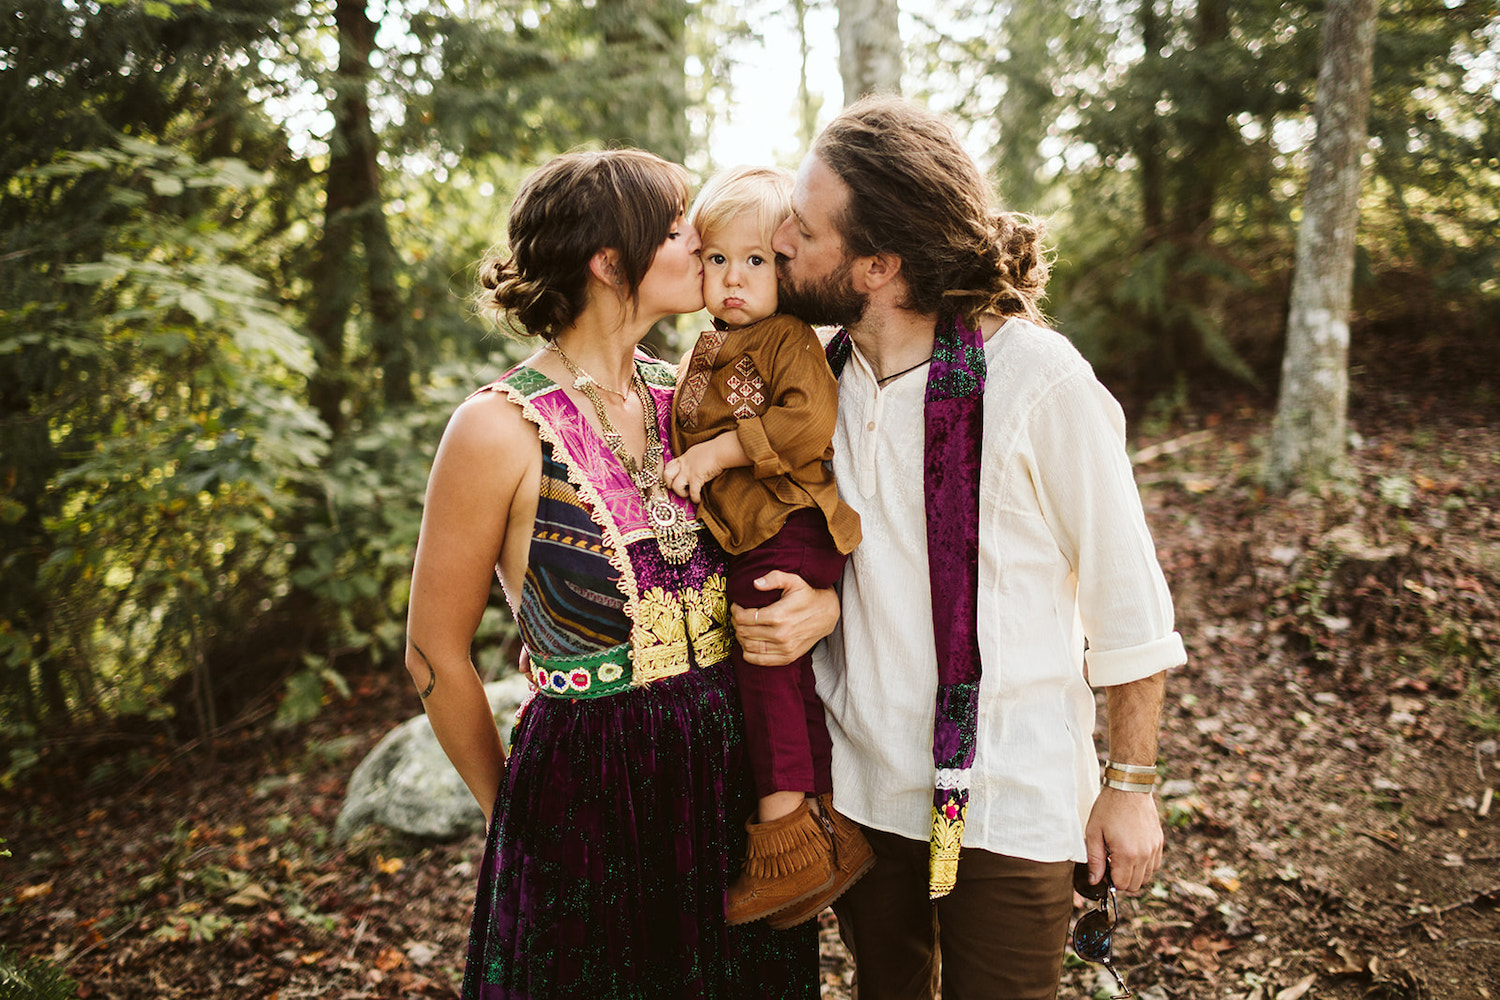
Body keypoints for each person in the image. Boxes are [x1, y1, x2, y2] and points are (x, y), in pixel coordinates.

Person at [743, 95, 1189, 998]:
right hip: (864, 787)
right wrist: (826, 602)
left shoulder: (1036, 381)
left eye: (804, 225)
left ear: (877, 265)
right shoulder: (817, 378)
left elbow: (1127, 603)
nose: (780, 236)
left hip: (1008, 798)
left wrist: (1130, 783)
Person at [403, 149, 817, 999]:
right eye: (676, 230)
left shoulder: (697, 397)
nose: (700, 241)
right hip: (588, 790)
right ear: (607, 261)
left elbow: (804, 509)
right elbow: (434, 657)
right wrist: (508, 817)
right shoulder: (496, 428)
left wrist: (824, 603)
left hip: (728, 770)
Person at [663, 165, 873, 928]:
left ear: (784, 268)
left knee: (765, 665)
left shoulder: (787, 339)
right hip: (751, 528)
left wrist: (719, 454)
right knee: (777, 671)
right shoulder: (708, 346)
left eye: (756, 261)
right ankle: (822, 822)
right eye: (718, 260)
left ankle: (787, 833)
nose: (734, 279)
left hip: (792, 519)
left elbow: (806, 424)